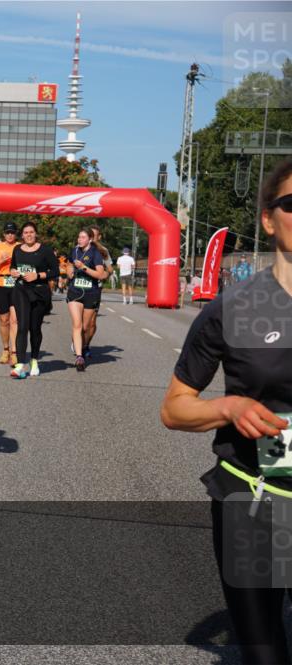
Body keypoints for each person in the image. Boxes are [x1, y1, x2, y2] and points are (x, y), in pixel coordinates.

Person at [161, 157, 292, 665]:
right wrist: (229, 407)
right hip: (253, 500)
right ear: (268, 220)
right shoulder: (233, 308)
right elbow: (174, 409)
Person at [9, 221, 58, 379]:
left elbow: (55, 271)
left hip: (39, 292)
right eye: (26, 232)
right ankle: (20, 365)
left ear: (35, 234)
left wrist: (38, 275)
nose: (28, 235)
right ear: (22, 235)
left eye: (31, 232)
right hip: (21, 290)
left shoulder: (45, 250)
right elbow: (13, 266)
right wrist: (13, 272)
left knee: (35, 328)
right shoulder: (17, 249)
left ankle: (34, 360)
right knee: (22, 326)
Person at [65, 228, 106, 371]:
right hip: (75, 291)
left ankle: (81, 346)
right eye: (79, 237)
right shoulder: (74, 251)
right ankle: (79, 357)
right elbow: (69, 264)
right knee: (77, 324)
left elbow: (100, 274)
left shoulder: (95, 254)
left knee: (85, 327)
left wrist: (83, 268)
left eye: (83, 237)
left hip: (91, 293)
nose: (80, 239)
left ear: (90, 239)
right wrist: (69, 271)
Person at [0, 222, 20, 365]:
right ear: (4, 234)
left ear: (16, 233)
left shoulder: (20, 247)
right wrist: (1, 260)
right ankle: (5, 349)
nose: (10, 235)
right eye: (7, 232)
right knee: (4, 320)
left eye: (12, 232)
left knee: (15, 320)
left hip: (16, 285)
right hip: (1, 284)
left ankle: (14, 352)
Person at [84, 224, 112, 357]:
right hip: (80, 288)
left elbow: (110, 269)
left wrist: (106, 273)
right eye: (89, 235)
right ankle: (78, 341)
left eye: (94, 236)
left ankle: (86, 345)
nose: (91, 238)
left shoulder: (103, 251)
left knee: (92, 323)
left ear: (99, 237)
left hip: (95, 289)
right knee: (81, 322)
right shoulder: (80, 247)